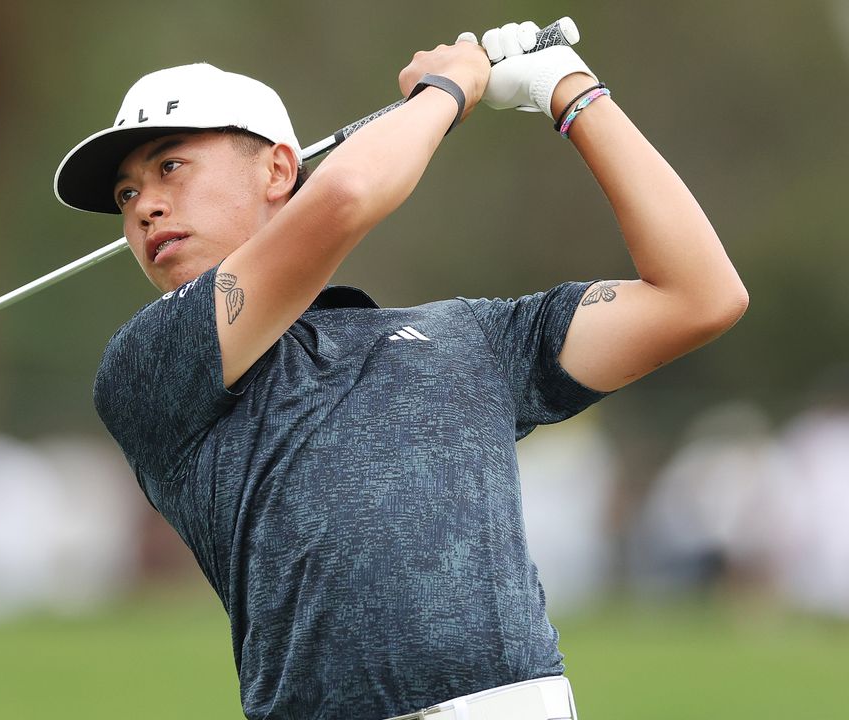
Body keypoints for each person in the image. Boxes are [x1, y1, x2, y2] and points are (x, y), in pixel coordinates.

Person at [53, 19, 747, 720]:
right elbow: (346, 196)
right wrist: (448, 89)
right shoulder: (149, 364)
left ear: (277, 169)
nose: (145, 206)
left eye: (169, 167)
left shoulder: (475, 336)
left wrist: (568, 90)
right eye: (125, 195)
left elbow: (700, 297)